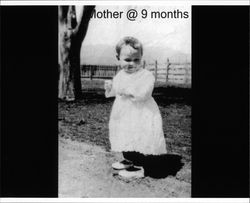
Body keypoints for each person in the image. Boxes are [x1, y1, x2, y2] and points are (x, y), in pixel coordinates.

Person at [104, 36, 167, 178]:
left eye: (136, 59)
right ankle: (128, 160)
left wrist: (126, 90)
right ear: (118, 58)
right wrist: (110, 88)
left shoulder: (146, 76)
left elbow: (143, 93)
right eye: (127, 60)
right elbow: (117, 90)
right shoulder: (120, 75)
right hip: (123, 113)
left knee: (138, 136)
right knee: (125, 135)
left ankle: (138, 167)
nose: (132, 63)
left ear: (141, 57)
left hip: (140, 113)